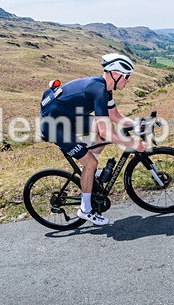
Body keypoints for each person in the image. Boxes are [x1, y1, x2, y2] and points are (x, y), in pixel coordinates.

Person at [40, 53, 146, 226]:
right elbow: (105, 133)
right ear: (115, 74)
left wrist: (135, 124)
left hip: (67, 119)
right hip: (54, 126)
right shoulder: (99, 91)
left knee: (101, 130)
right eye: (127, 76)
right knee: (91, 162)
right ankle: (85, 209)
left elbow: (114, 115)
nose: (128, 81)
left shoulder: (105, 89)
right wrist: (132, 143)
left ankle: (89, 172)